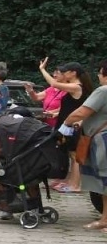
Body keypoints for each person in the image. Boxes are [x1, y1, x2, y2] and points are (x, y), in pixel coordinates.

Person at [61, 61, 107, 230]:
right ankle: (104, 219)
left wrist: (66, 124)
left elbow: (82, 111)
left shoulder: (103, 91)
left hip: (103, 140)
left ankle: (105, 220)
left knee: (105, 180)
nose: (98, 76)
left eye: (100, 72)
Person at [41, 59, 88, 192]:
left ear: (73, 73)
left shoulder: (77, 86)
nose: (63, 74)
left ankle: (75, 185)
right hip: (66, 125)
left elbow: (53, 83)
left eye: (65, 72)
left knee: (75, 156)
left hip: (73, 126)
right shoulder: (72, 86)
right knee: (71, 155)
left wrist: (42, 69)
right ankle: (70, 181)